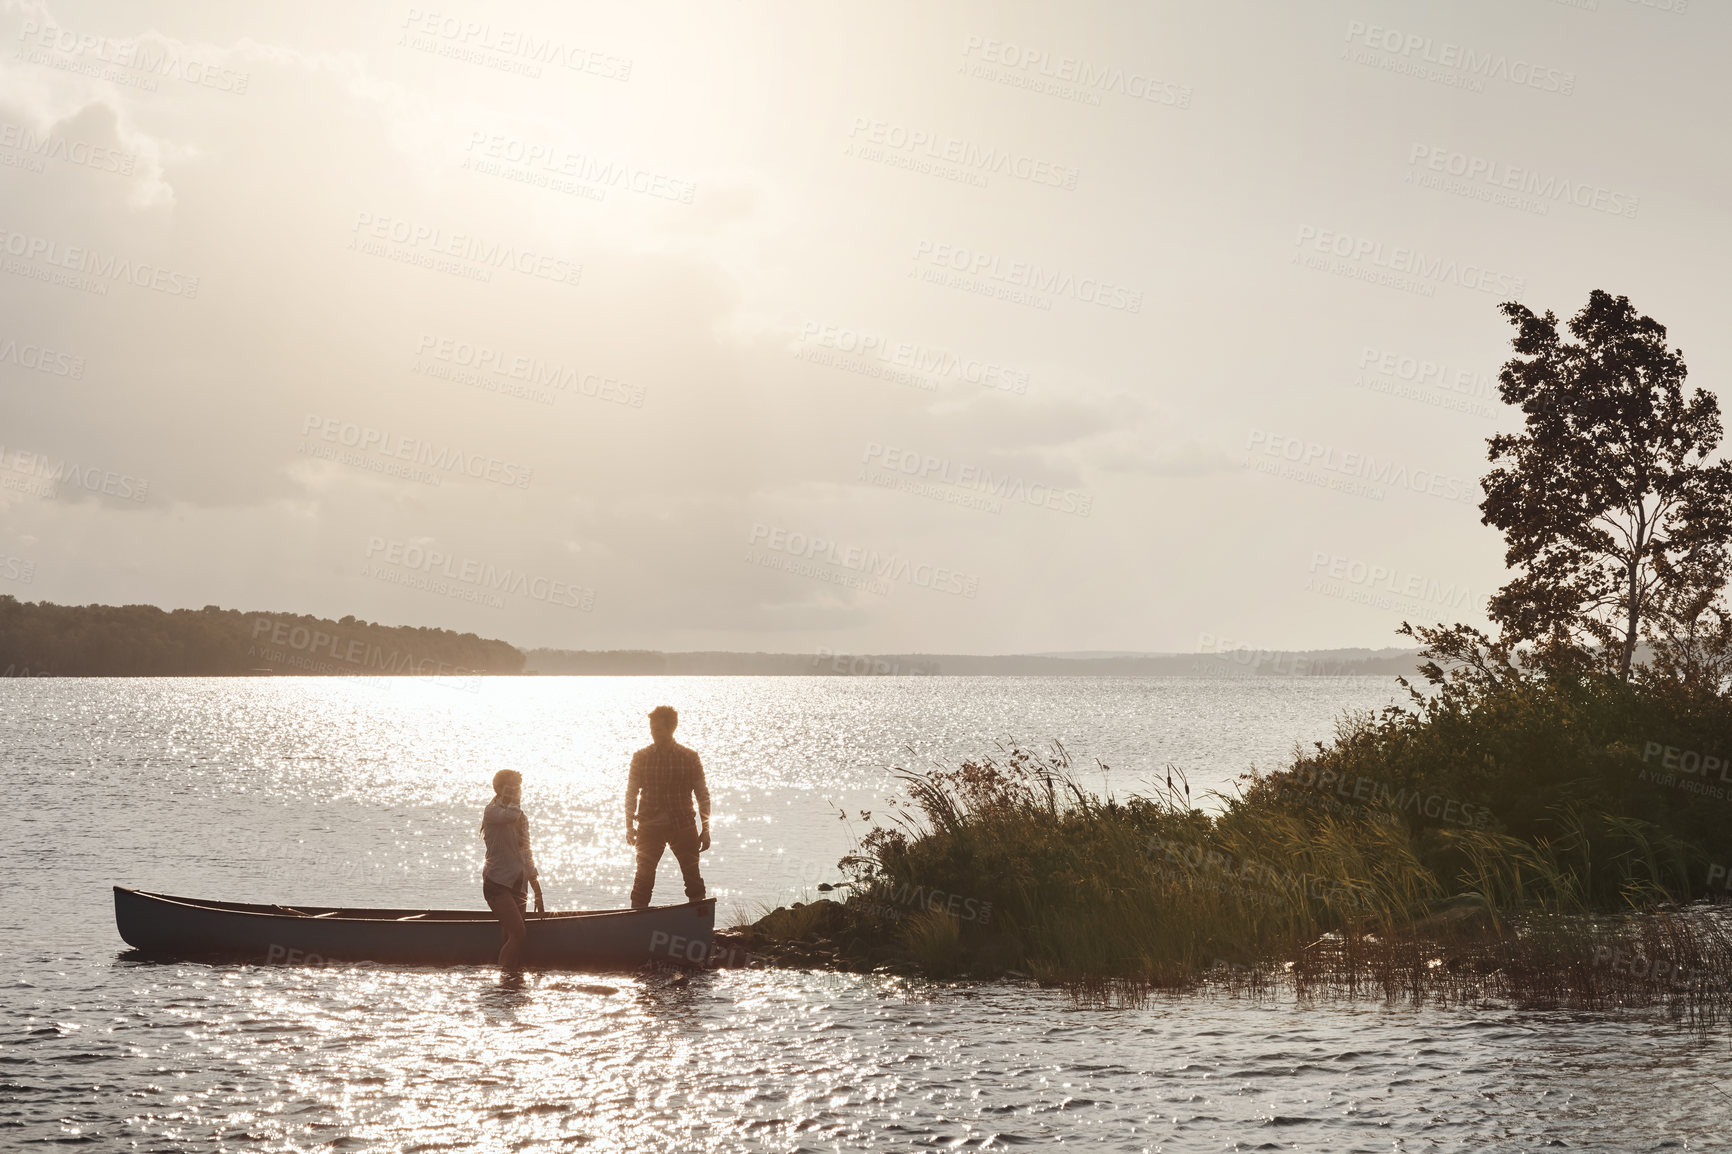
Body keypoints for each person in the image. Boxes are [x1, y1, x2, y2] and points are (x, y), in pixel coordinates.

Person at [626, 705, 710, 908]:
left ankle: (698, 921)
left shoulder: (689, 757)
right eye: (652, 729)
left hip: (682, 825)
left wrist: (706, 829)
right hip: (649, 826)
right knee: (643, 880)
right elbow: (631, 793)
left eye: (657, 729)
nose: (653, 733)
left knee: (693, 878)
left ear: (671, 729)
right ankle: (635, 923)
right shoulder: (641, 757)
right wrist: (629, 826)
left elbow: (702, 795)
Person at [480, 769, 544, 968]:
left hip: (518, 883)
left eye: (518, 788)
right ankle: (504, 979)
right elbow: (509, 815)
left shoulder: (521, 817)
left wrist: (537, 889)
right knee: (518, 933)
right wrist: (514, 800)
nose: (517, 791)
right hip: (496, 883)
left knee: (511, 935)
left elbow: (526, 852)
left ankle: (512, 985)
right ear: (499, 789)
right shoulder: (492, 811)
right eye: (512, 787)